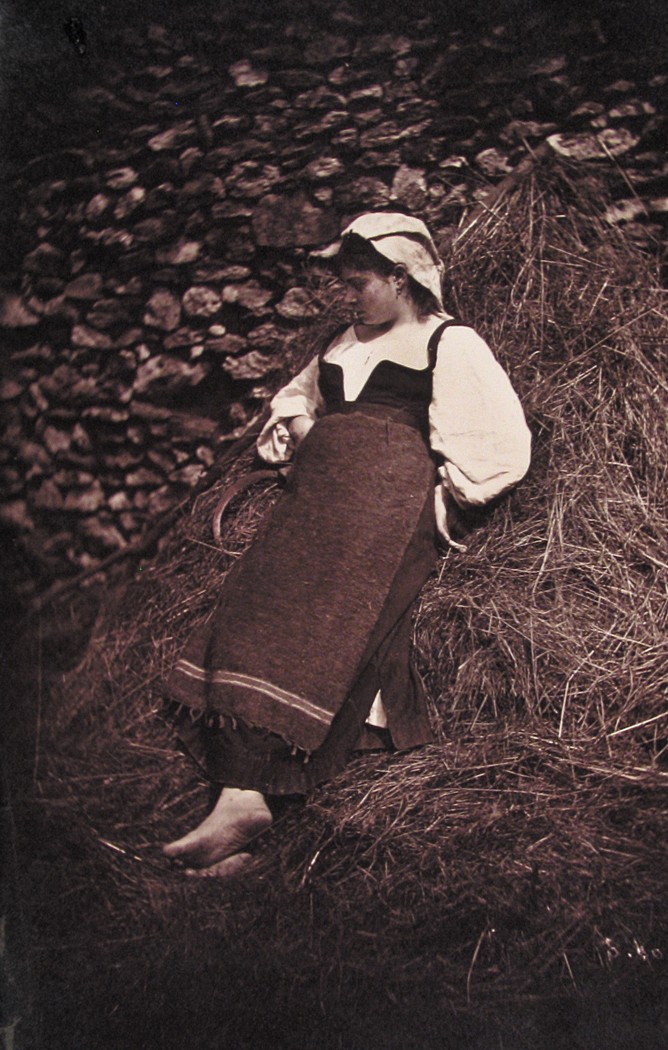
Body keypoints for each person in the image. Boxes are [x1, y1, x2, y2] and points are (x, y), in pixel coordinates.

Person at [162, 212, 531, 876]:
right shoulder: (340, 342)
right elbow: (293, 404)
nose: (349, 296)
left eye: (359, 283)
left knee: (330, 620)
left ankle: (245, 804)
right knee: (253, 607)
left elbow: (500, 444)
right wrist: (307, 432)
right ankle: (244, 808)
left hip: (388, 511)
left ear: (400, 277)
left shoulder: (449, 343)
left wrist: (443, 504)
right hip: (315, 499)